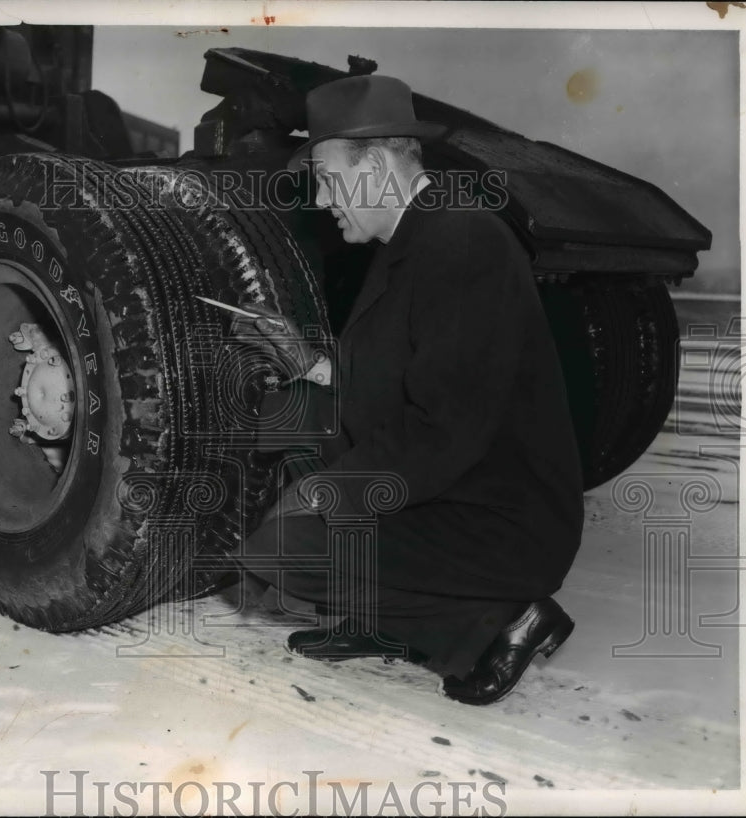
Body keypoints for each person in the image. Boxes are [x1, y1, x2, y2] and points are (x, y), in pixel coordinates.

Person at [230, 74, 585, 706]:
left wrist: (326, 494)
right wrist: (303, 365)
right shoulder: (413, 242)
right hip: (452, 485)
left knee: (283, 547)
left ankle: (501, 622)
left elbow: (444, 427)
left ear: (377, 164)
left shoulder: (462, 240)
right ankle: (387, 622)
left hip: (498, 516)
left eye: (328, 176)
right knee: (294, 416)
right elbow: (381, 384)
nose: (321, 197)